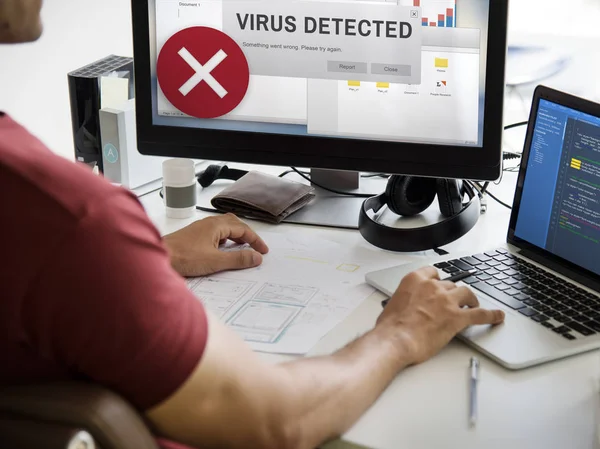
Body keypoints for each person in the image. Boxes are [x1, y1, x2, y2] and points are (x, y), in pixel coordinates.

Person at [0, 2, 505, 449]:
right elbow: (275, 423)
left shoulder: (47, 222)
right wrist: (400, 333)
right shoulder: (68, 219)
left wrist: (133, 258)